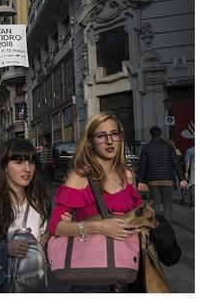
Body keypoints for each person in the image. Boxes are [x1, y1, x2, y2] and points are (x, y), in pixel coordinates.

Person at [48, 112, 143, 292]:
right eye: (101, 136)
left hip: (127, 271)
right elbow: (55, 227)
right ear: (90, 141)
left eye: (114, 134)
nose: (109, 141)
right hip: (92, 277)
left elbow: (135, 216)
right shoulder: (81, 176)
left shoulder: (127, 175)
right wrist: (98, 227)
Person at [137, 126, 188, 221]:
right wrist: (182, 178)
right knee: (168, 203)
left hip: (152, 181)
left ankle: (156, 226)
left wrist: (140, 181)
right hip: (167, 180)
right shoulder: (169, 147)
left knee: (155, 204)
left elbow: (142, 165)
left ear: (151, 135)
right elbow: (176, 163)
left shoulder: (146, 148)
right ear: (160, 134)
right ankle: (166, 225)